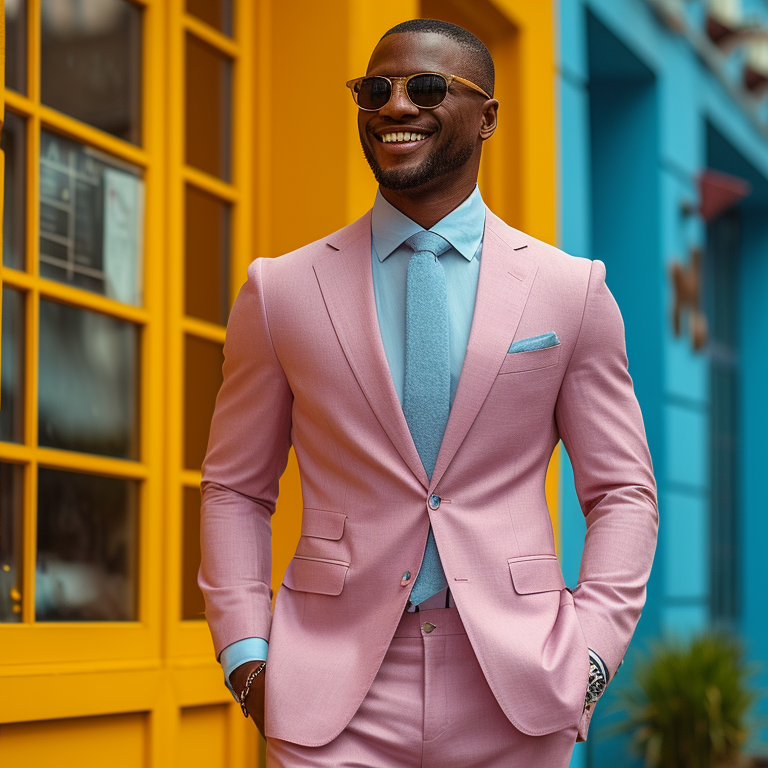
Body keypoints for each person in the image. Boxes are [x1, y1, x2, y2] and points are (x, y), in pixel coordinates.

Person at [199, 18, 658, 768]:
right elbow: (235, 489)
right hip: (328, 688)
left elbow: (623, 492)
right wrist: (247, 657)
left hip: (517, 684)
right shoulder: (280, 290)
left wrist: (593, 655)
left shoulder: (570, 291)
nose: (395, 105)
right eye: (375, 89)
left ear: (488, 117)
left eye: (427, 87)